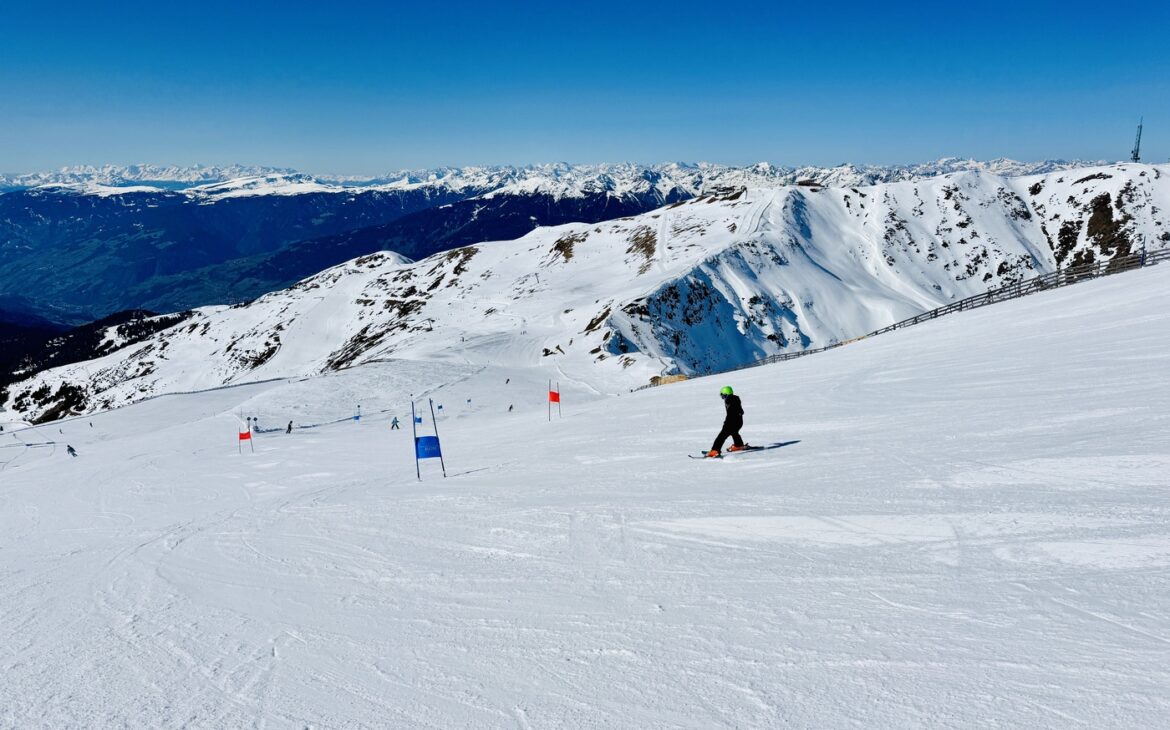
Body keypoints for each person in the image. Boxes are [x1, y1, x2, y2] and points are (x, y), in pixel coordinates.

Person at [707, 386, 750, 457]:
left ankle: (715, 450)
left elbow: (732, 413)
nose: (723, 398)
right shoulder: (735, 399)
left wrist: (727, 423)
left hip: (731, 422)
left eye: (723, 395)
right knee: (734, 433)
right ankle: (738, 445)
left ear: (727, 394)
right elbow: (739, 411)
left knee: (721, 437)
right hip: (738, 422)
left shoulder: (730, 400)